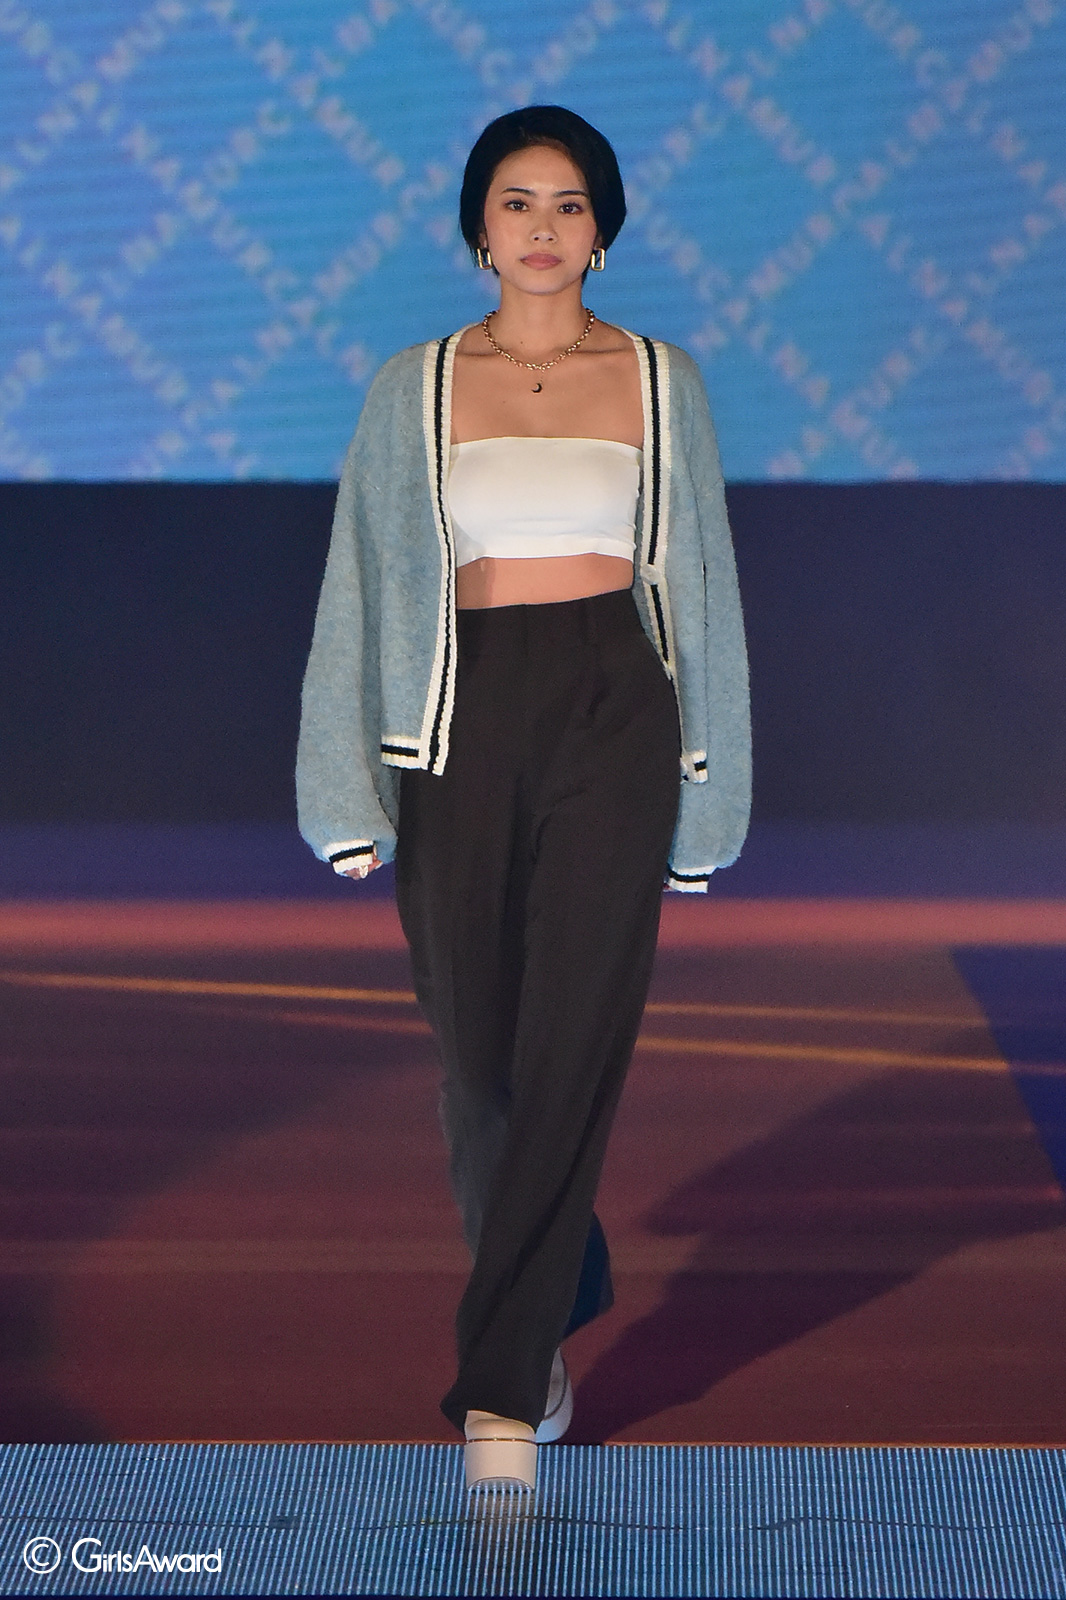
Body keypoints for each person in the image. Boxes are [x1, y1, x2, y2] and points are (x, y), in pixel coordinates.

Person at [296, 105, 750, 1494]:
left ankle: (504, 1386)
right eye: (515, 202)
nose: (541, 227)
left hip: (615, 704)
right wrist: (340, 784)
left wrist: (710, 797)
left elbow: (705, 591)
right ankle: (558, 1275)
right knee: (478, 1058)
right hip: (460, 714)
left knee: (571, 1045)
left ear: (600, 232)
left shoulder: (660, 379)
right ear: (476, 229)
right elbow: (361, 582)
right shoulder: (413, 386)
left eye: (567, 204)